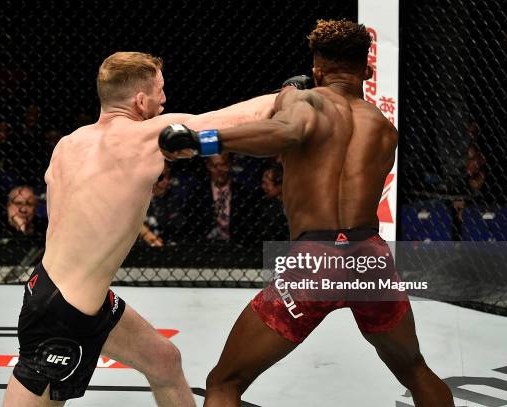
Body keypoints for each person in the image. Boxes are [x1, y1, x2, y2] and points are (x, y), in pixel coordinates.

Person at [160, 20, 454, 407]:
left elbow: (286, 133)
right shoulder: (385, 128)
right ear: (366, 71)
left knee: (224, 381)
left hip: (317, 261)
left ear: (317, 71)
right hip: (371, 257)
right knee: (414, 369)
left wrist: (203, 140)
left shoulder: (306, 102)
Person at [3, 51, 276, 406]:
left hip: (69, 295)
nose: (165, 100)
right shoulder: (148, 137)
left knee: (164, 360)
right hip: (63, 314)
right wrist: (295, 92)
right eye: (160, 91)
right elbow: (243, 117)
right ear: (141, 99)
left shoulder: (68, 144)